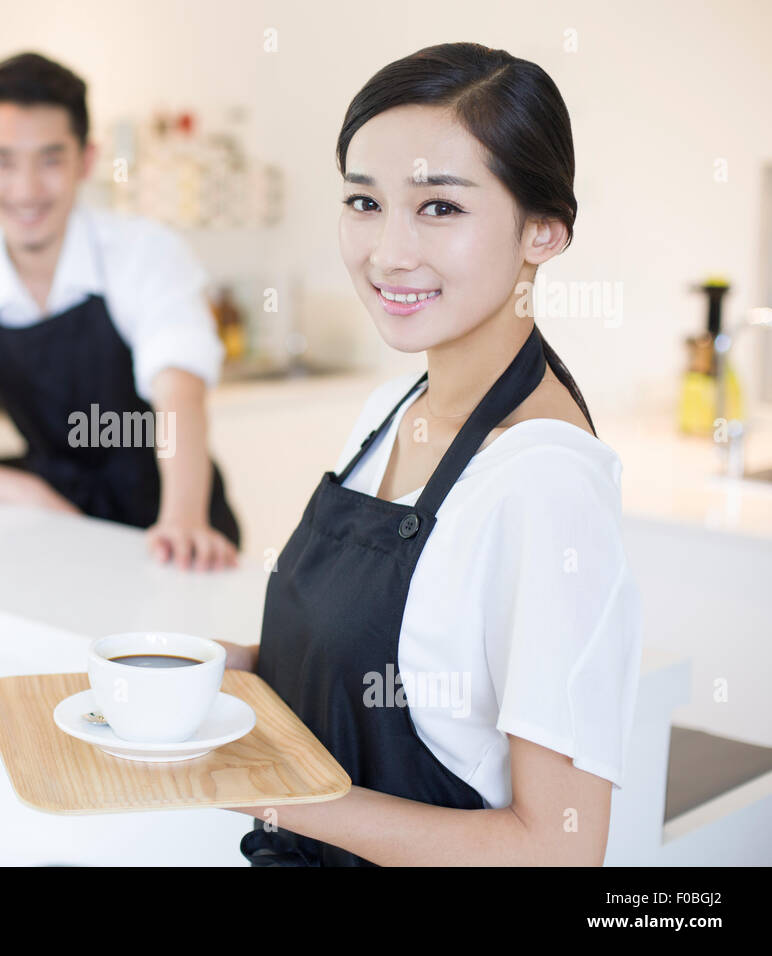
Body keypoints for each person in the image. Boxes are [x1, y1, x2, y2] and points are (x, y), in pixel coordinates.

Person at [219, 42, 642, 865]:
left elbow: (557, 850)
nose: (388, 252)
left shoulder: (544, 481)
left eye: (439, 208)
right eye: (364, 202)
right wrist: (202, 676)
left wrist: (264, 789)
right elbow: (385, 668)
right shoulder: (395, 409)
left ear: (545, 231)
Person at [0, 52, 240, 571]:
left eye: (51, 160)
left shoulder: (144, 252)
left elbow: (179, 393)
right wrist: (24, 492)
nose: (27, 190)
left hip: (174, 525)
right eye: (3, 161)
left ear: (87, 160)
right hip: (52, 532)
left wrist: (183, 520)